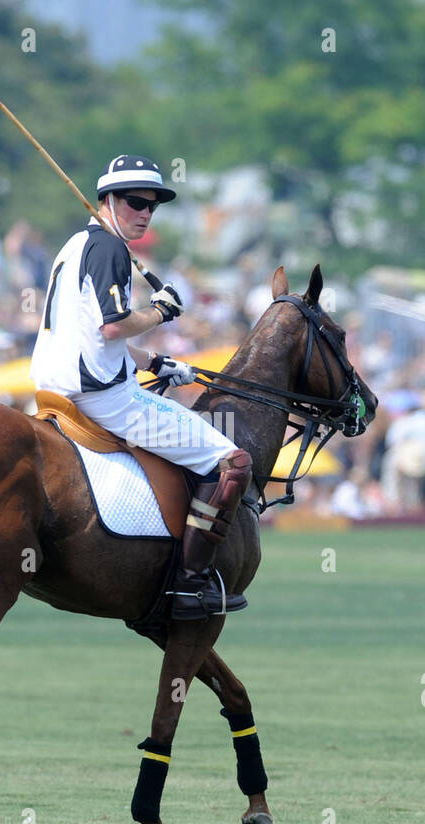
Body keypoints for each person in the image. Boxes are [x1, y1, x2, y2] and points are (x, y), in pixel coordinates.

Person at [30, 154, 253, 621]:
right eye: (135, 202)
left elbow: (90, 336)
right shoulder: (109, 249)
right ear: (107, 200)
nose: (145, 212)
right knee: (233, 462)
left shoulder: (74, 246)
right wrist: (161, 312)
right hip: (104, 399)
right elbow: (114, 326)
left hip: (59, 388)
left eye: (153, 205)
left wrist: (156, 361)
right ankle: (190, 584)